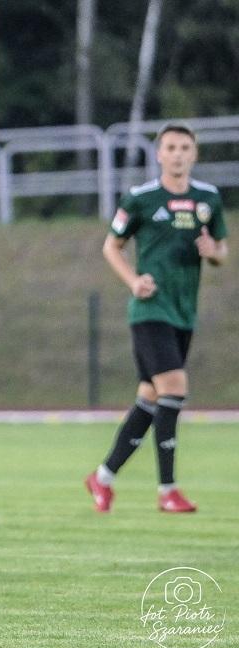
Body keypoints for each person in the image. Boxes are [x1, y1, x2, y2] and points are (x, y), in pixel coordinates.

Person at [85, 122, 228, 513]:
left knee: (150, 398)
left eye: (185, 147)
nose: (178, 153)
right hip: (150, 311)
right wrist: (133, 281)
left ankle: (103, 477)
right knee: (174, 388)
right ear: (159, 154)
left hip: (184, 312)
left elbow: (222, 253)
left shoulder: (208, 198)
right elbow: (111, 246)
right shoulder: (140, 198)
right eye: (171, 147)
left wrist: (211, 250)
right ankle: (168, 491)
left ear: (194, 154)